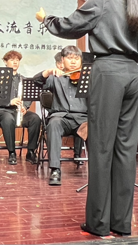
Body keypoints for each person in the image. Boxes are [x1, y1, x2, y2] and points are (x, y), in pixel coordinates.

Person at [36, 0, 138, 237]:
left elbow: (68, 26)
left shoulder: (102, 0)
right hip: (132, 74)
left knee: (100, 147)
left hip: (108, 73)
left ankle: (98, 223)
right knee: (126, 149)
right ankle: (121, 222)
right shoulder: (135, 1)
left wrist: (45, 19)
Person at [32, 45, 88, 186]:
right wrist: (48, 72)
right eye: (69, 58)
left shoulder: (87, 78)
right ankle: (55, 169)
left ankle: (99, 170)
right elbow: (36, 81)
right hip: (62, 118)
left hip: (82, 119)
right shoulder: (56, 78)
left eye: (77, 58)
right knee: (54, 123)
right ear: (62, 60)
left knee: (96, 126)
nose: (73, 61)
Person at [0, 50, 41, 165]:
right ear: (5, 62)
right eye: (12, 60)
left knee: (35, 118)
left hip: (17, 112)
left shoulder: (22, 79)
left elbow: (28, 96)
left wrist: (25, 107)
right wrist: (9, 102)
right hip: (1, 111)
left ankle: (31, 151)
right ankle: (12, 152)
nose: (15, 62)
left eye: (17, 60)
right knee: (8, 119)